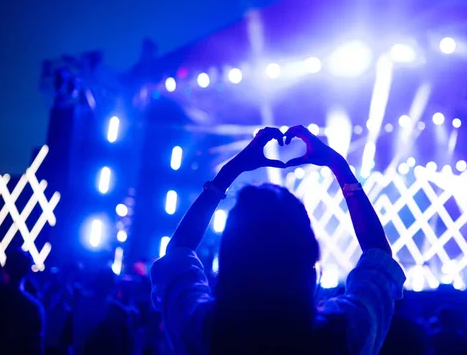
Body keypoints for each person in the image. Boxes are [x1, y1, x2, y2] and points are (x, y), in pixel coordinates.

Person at [151, 125, 405, 354]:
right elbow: (378, 255)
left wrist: (229, 171)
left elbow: (178, 250)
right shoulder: (343, 333)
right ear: (311, 253)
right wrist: (338, 165)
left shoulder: (200, 330)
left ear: (228, 254)